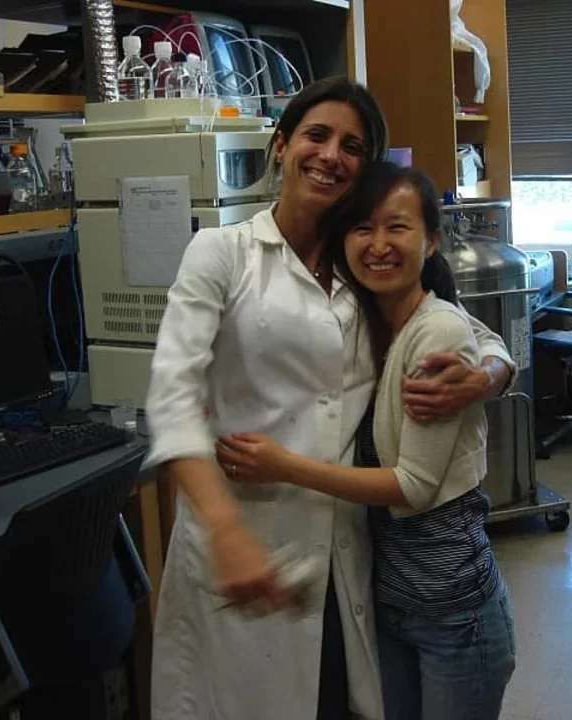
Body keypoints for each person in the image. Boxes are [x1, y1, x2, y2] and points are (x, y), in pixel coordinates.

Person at [145, 78, 516, 720]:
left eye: (353, 146)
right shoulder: (223, 254)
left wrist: (485, 377)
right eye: (317, 135)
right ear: (282, 145)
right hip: (240, 546)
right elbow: (172, 397)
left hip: (344, 559)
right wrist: (226, 530)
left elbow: (477, 334)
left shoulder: (361, 265)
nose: (331, 154)